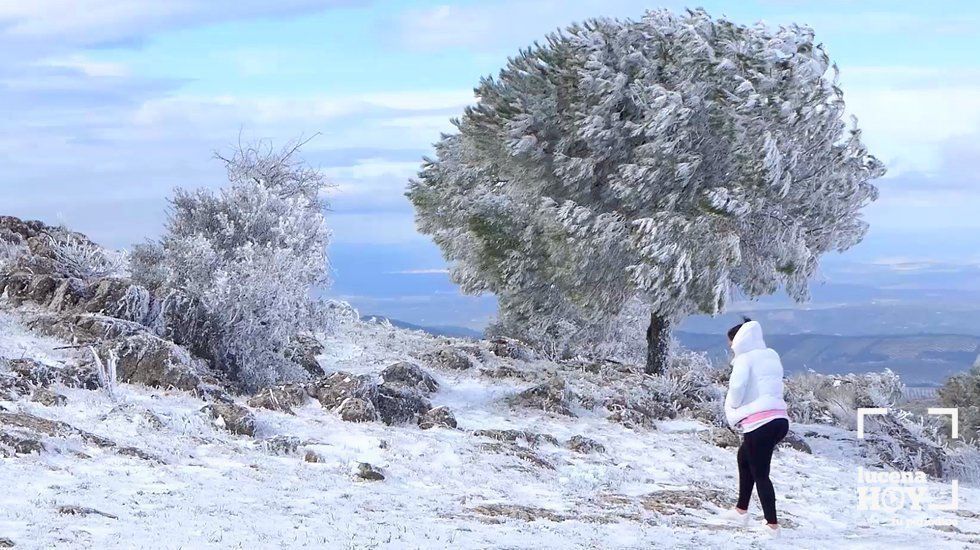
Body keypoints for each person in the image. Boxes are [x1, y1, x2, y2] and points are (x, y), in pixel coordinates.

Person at [720, 318, 790, 536]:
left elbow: (737, 388)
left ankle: (772, 525)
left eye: (731, 342)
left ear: (739, 340)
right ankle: (741, 510)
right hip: (780, 419)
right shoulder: (771, 355)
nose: (730, 347)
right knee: (744, 458)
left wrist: (732, 405)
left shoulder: (744, 359)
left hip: (760, 423)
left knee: (761, 473)